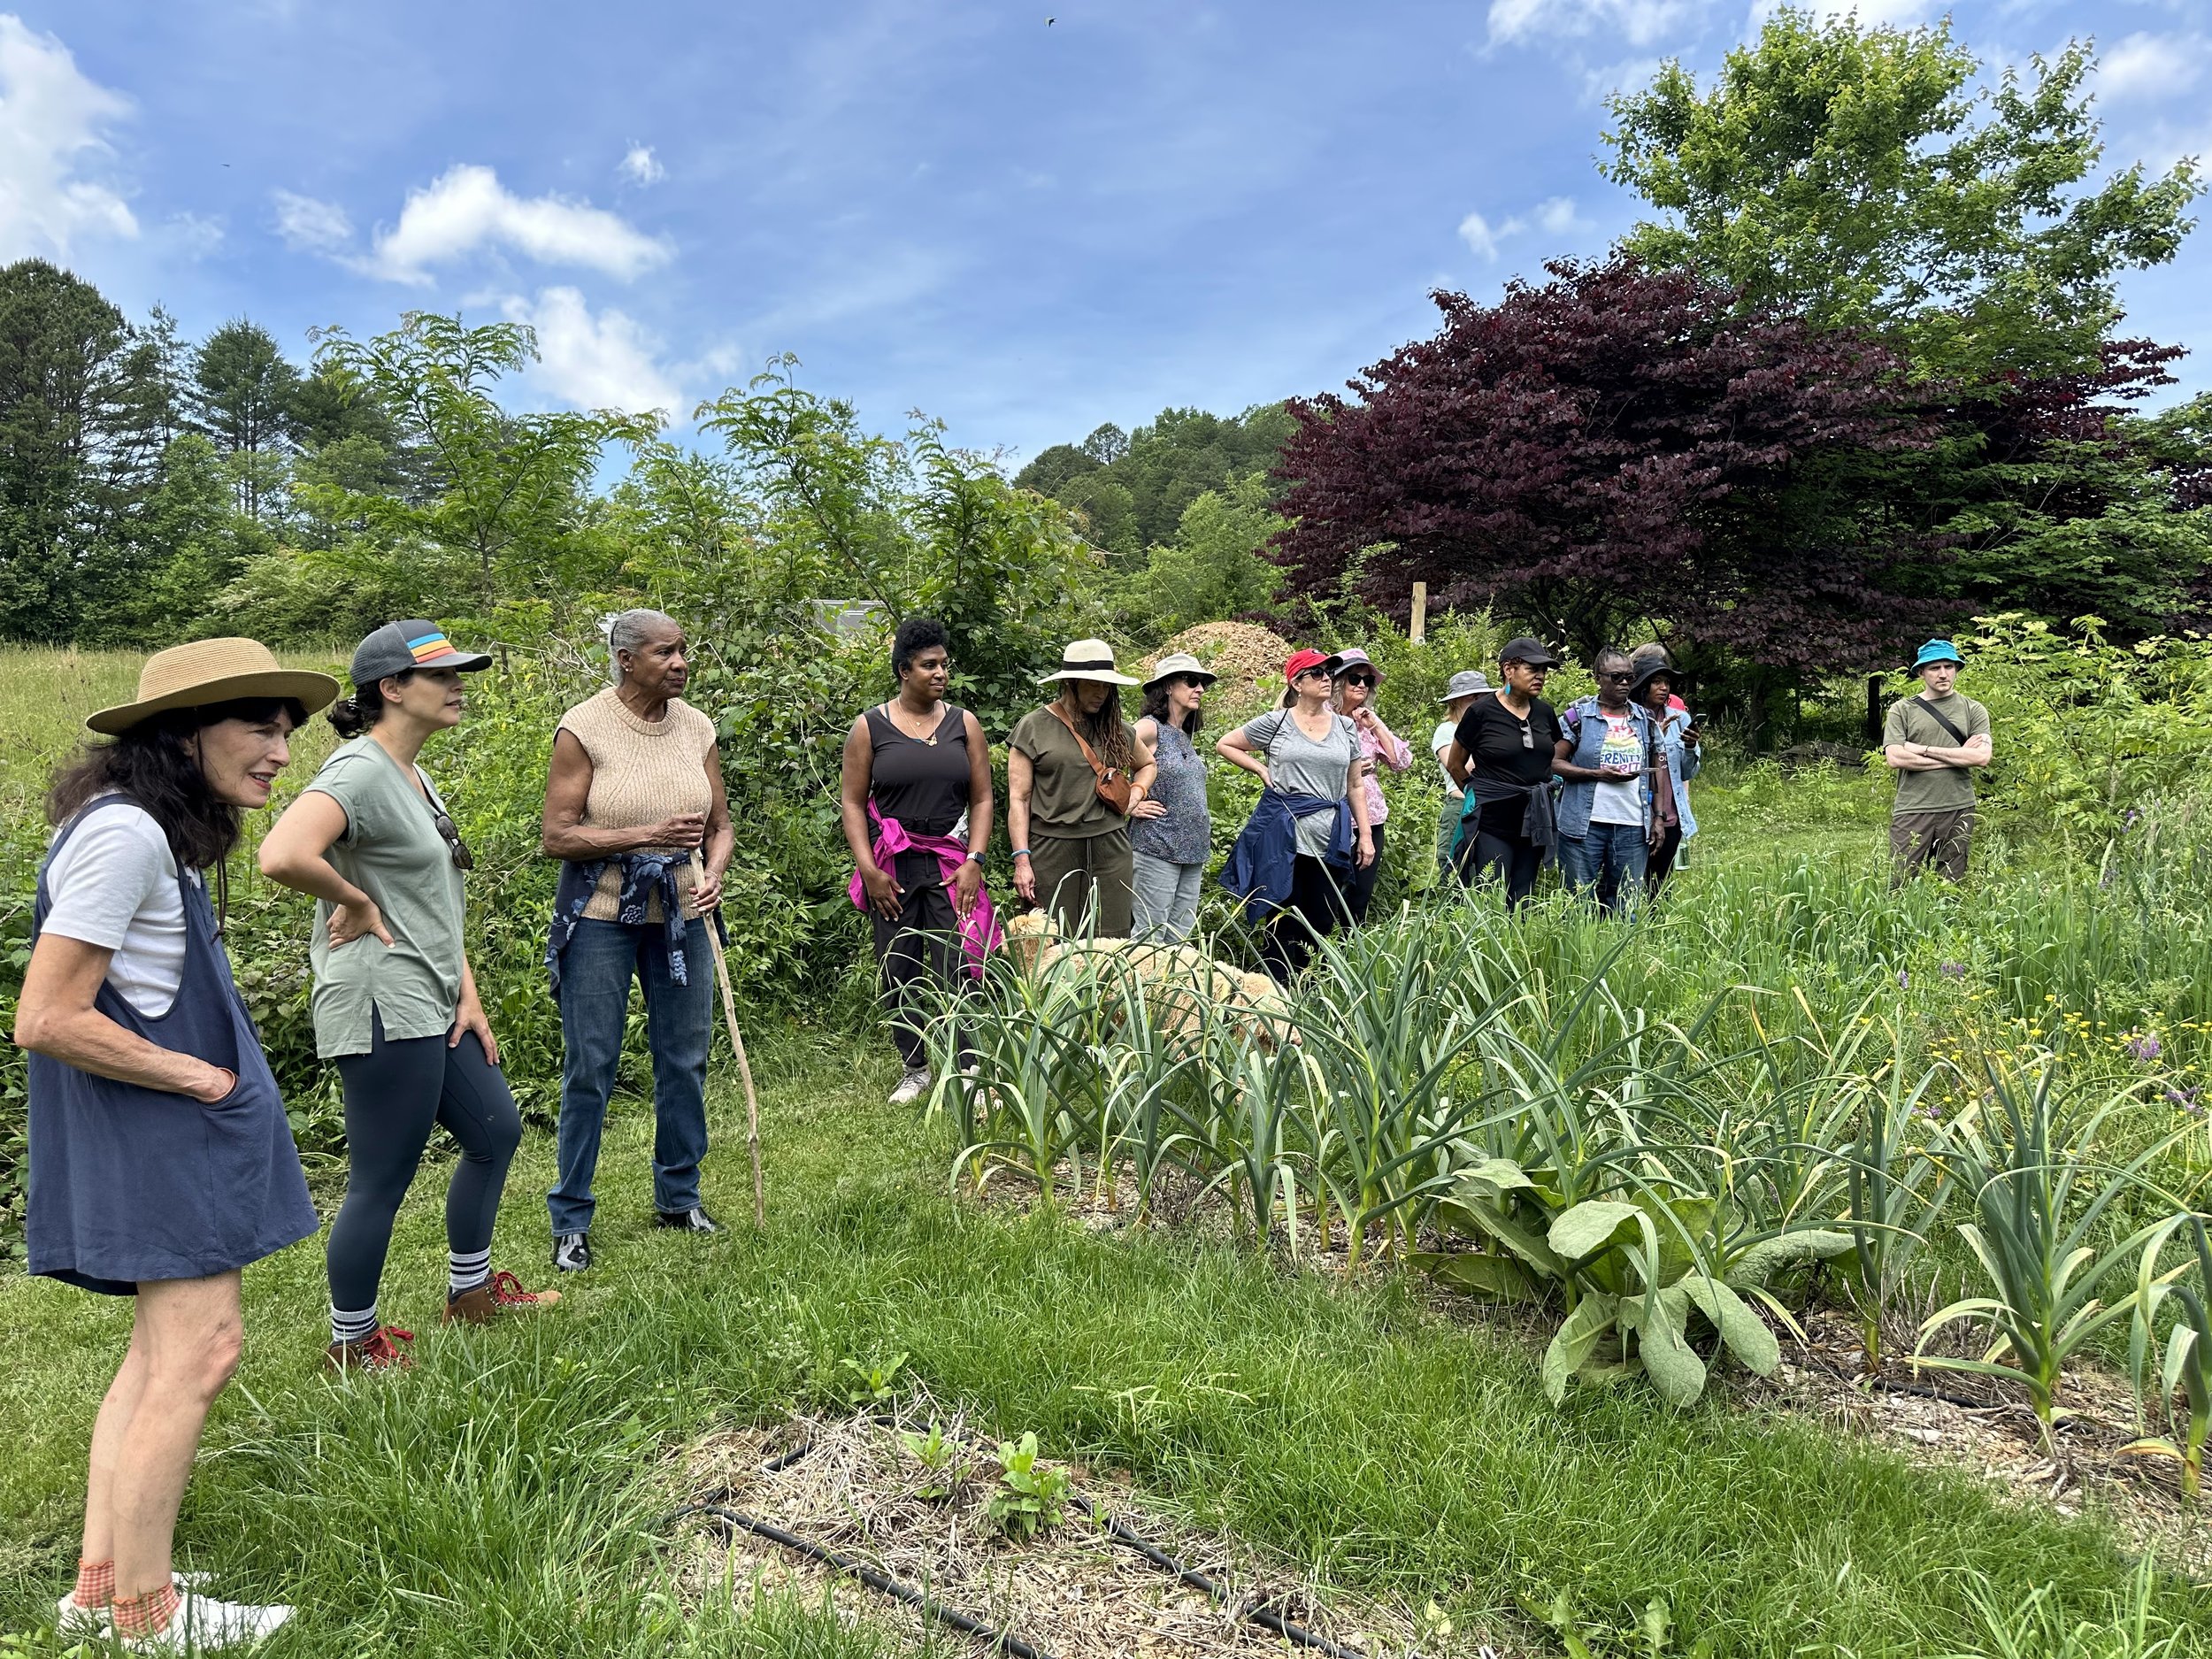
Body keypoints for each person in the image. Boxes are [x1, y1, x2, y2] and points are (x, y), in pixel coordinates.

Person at [17, 638, 336, 1649]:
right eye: (258, 727)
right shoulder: (127, 840)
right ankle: (151, 1620)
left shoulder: (124, 825)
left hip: (146, 1128)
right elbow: (49, 1015)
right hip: (162, 1130)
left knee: (157, 1356)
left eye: (286, 730)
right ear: (181, 733)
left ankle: (99, 1588)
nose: (282, 752)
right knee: (202, 1352)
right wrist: (202, 1079)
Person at [260, 622, 557, 1371]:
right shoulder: (359, 770)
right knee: (382, 1177)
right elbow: (282, 853)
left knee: (496, 1129)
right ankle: (352, 1343)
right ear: (390, 688)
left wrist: (470, 994)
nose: (460, 684)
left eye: (462, 671)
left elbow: (430, 898)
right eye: (442, 674)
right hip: (381, 999)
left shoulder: (412, 772)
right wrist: (353, 902)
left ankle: (471, 1293)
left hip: (433, 995)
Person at [540, 610, 736, 1271]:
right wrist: (643, 833)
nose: (680, 662)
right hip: (600, 917)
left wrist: (712, 872)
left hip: (683, 915)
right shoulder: (584, 727)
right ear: (626, 659)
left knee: (684, 1058)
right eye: (665, 652)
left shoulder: (697, 726)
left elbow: (720, 826)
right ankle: (571, 1218)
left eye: (683, 650)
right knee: (590, 1066)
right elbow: (558, 835)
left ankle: (679, 1196)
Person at [840, 616, 1000, 1105]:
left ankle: (970, 1067)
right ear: (903, 670)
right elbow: (851, 801)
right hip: (893, 865)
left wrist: (975, 858)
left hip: (952, 861)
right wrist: (869, 870)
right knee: (899, 964)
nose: (940, 673)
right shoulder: (870, 728)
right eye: (929, 665)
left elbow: (984, 798)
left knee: (961, 961)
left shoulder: (963, 723)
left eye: (944, 665)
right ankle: (915, 1068)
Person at [1217, 649, 1374, 981]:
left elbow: (1355, 784)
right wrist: (1260, 767)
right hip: (1284, 838)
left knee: (1320, 919)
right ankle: (1276, 993)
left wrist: (1366, 835)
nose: (1326, 679)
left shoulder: (1345, 727)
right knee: (1282, 916)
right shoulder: (1277, 723)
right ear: (1296, 683)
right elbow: (1226, 744)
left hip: (1328, 837)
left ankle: (1309, 992)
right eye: (1317, 673)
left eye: (1329, 673)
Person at [1008, 640, 1156, 939]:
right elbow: (1019, 799)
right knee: (1051, 942)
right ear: (1071, 683)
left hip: (1111, 849)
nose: (1101, 693)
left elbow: (1147, 763)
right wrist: (1022, 860)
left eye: (1107, 687)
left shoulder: (1116, 728)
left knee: (1111, 941)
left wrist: (1135, 795)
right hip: (1052, 850)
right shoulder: (1034, 727)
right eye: (1093, 685)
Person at [1443, 637, 1563, 910]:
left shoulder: (1545, 713)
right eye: (1533, 669)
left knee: (1524, 898)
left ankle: (1518, 951)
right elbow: (1455, 764)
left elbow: (1549, 757)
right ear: (1509, 669)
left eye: (1544, 670)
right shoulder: (1481, 712)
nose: (1541, 676)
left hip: (1534, 821)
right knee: (1492, 896)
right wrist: (1482, 796)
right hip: (1493, 824)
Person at [1553, 649, 1655, 915]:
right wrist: (1598, 774)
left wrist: (1659, 817)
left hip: (1632, 824)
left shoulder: (1644, 719)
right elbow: (1554, 762)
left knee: (1625, 904)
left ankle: (1622, 955)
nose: (1624, 683)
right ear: (1598, 678)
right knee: (1578, 902)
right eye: (1616, 677)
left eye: (1630, 678)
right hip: (1583, 825)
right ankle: (1580, 954)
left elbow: (1657, 769)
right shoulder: (1579, 716)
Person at [1883, 638, 1992, 883]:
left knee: (1951, 882)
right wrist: (1960, 757)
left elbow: (1981, 756)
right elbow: (1895, 757)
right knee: (1901, 880)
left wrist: (1921, 749)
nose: (1943, 674)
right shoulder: (1902, 710)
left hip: (1958, 805)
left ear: (1956, 669)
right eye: (1934, 668)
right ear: (1921, 672)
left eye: (1949, 667)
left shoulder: (1973, 710)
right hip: (1913, 806)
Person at [1129, 652, 1217, 942]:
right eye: (1191, 681)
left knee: (1180, 941)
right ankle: (1139, 989)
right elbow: (1106, 756)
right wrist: (1129, 803)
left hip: (1193, 851)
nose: (1200, 689)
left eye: (1201, 683)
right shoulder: (1151, 727)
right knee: (1149, 939)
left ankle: (1171, 990)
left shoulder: (1184, 735)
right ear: (1168, 686)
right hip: (1157, 846)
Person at [1329, 647, 1413, 925]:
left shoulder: (1367, 721)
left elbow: (1400, 762)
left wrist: (1376, 725)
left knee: (1360, 892)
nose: (1362, 685)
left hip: (1370, 818)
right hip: (1330, 816)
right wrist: (1350, 770)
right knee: (1326, 890)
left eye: (1368, 680)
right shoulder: (1323, 718)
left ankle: (1351, 952)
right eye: (1355, 678)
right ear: (1338, 681)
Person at [1629, 650, 1701, 896]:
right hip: (1636, 810)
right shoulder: (1629, 718)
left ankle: (1658, 929)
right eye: (1656, 681)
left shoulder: (1680, 719)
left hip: (1672, 811)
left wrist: (1690, 747)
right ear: (1642, 685)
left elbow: (1688, 770)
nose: (1663, 688)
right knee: (1635, 878)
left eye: (1666, 682)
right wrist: (1653, 739)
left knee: (1661, 880)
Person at [1431, 670, 1491, 879]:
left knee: (1484, 870)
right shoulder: (1446, 730)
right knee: (1453, 867)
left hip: (1490, 805)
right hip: (1460, 804)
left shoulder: (1491, 728)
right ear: (1456, 701)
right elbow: (1461, 767)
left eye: (1483, 697)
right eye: (1473, 697)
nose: (1478, 702)